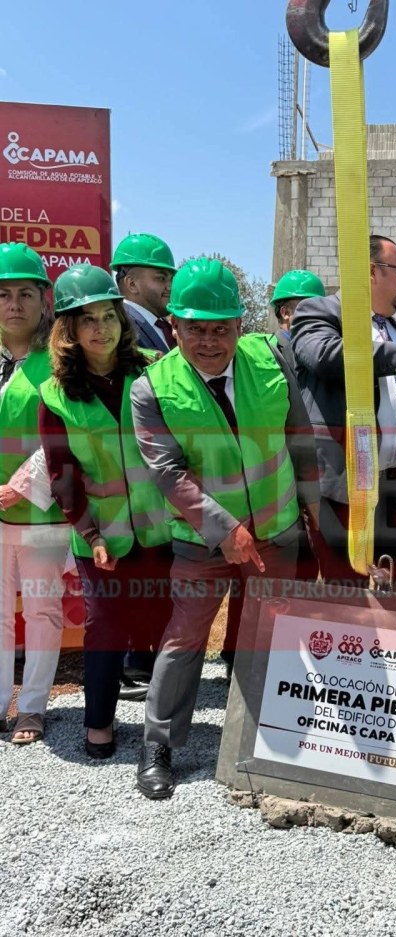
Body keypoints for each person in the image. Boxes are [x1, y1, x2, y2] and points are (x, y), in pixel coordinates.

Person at [130, 257, 320, 799]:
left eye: (221, 328)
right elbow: (167, 472)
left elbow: (299, 437)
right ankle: (158, 745)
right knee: (185, 638)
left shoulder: (269, 357)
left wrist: (315, 513)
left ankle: (271, 736)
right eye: (196, 329)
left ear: (241, 325)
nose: (209, 341)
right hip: (201, 543)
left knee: (273, 635)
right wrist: (225, 528)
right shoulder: (152, 389)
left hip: (278, 531)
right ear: (175, 327)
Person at [39, 264, 173, 759]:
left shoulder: (156, 371)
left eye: (108, 315)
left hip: (161, 532)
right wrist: (91, 532)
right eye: (87, 319)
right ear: (68, 330)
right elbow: (62, 474)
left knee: (164, 629)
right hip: (102, 539)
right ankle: (99, 724)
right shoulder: (55, 395)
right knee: (107, 630)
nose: (101, 328)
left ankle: (162, 733)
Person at [292, 235, 396, 594]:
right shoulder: (318, 312)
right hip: (345, 485)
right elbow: (323, 355)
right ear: (371, 272)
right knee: (347, 590)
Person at [0, 243, 69, 745]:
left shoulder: (58, 364)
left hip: (42, 515)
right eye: (3, 294)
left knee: (42, 608)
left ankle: (32, 708)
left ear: (45, 300)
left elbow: (67, 435)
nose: (14, 304)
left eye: (25, 292)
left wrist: (18, 486)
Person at [110, 232, 177, 698]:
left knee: (154, 570)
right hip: (135, 472)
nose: (168, 284)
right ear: (130, 282)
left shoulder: (156, 325)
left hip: (154, 473)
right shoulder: (126, 329)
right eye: (160, 276)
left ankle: (143, 657)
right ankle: (135, 663)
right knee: (137, 571)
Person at [111, 233, 177, 353]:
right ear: (132, 284)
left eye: (171, 279)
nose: (170, 287)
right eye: (161, 278)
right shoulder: (119, 329)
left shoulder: (168, 328)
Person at [270, 269, 325, 367]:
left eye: (319, 308)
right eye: (308, 308)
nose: (317, 315)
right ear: (285, 312)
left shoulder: (322, 349)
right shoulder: (269, 353)